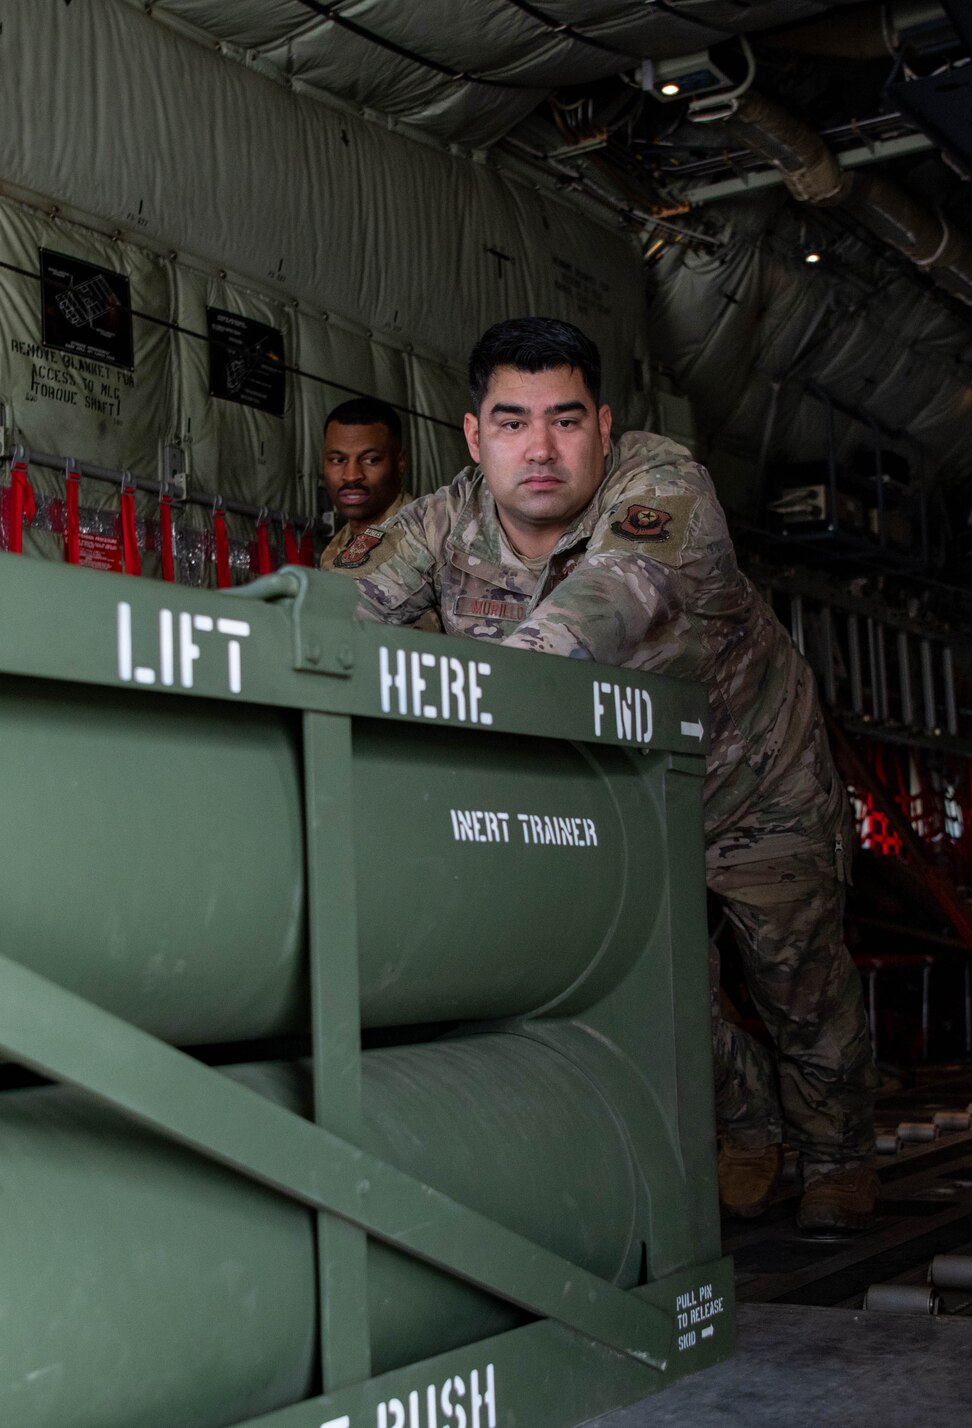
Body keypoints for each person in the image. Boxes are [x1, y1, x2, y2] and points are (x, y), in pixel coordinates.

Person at [353, 317, 880, 1232]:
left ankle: (837, 1156)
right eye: (512, 423)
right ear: (476, 437)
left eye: (564, 420)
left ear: (602, 425)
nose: (541, 449)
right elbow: (344, 617)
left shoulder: (663, 485)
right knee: (649, 987)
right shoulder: (441, 524)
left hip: (754, 781)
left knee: (799, 984)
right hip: (622, 795)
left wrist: (496, 683)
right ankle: (745, 1115)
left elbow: (617, 598)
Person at [318, 396, 411, 579]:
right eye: (338, 460)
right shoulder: (334, 550)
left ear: (400, 463)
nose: (351, 475)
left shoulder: (427, 538)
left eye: (371, 460)